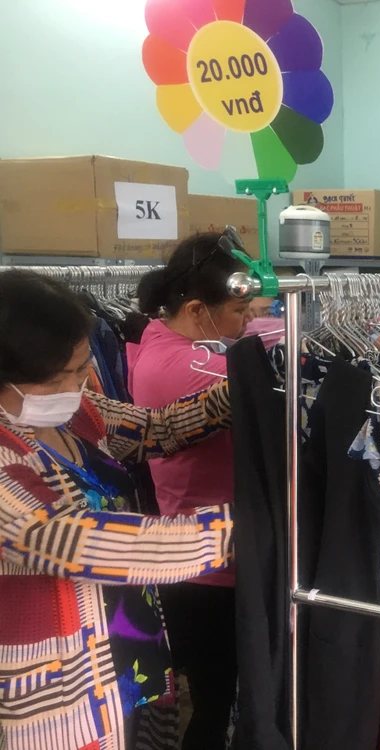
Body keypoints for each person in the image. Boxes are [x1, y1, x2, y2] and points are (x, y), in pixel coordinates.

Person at [0, 270, 234, 750]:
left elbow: (156, 429)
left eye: (81, 368)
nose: (77, 384)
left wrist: (238, 390)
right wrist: (237, 529)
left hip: (127, 648)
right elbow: (75, 537)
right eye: (58, 378)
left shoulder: (77, 413)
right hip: (62, 680)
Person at [130, 230, 251, 749]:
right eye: (239, 311)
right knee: (214, 701)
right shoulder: (182, 366)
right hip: (205, 566)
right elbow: (253, 377)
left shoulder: (162, 339)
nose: (247, 320)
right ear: (198, 309)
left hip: (207, 556)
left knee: (215, 695)